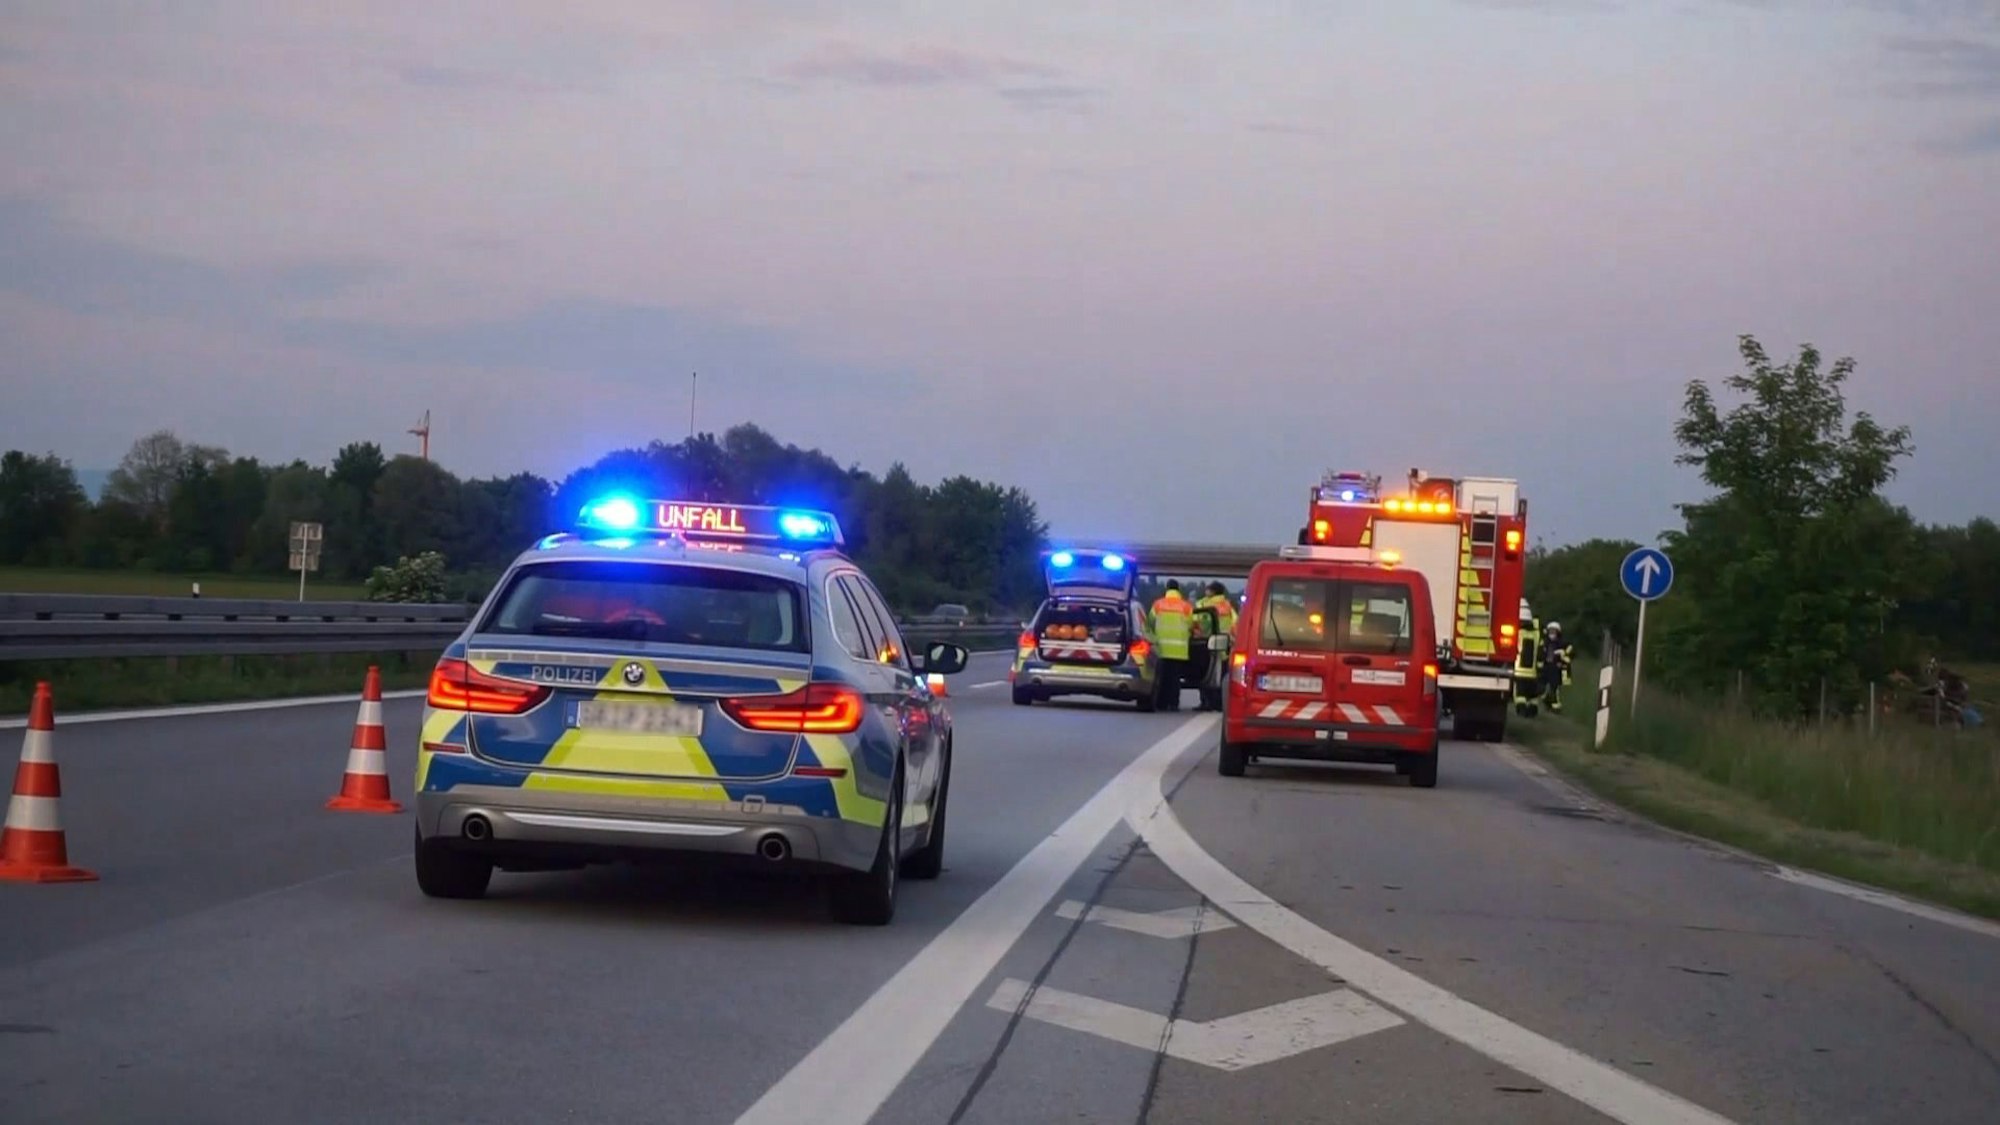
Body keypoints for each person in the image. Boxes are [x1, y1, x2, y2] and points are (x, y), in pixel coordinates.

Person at [1192, 582, 1238, 711]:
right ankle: (1219, 703)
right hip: (1224, 645)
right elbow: (1235, 623)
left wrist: (1198, 634)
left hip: (1207, 644)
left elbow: (1198, 622)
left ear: (1212, 592)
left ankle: (1206, 702)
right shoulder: (1228, 606)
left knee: (1205, 675)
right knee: (1222, 676)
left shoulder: (1204, 604)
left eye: (1208, 589)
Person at [1149, 579, 1194, 712]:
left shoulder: (1158, 605)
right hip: (1179, 650)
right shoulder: (1186, 606)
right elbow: (1192, 625)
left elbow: (1150, 623)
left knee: (1162, 678)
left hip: (1161, 649)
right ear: (1178, 590)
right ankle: (1173, 703)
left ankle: (1161, 703)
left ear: (1167, 589)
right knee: (1175, 679)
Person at [1540, 621, 1573, 713]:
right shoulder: (1544, 642)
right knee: (1542, 686)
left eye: (1554, 631)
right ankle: (1547, 700)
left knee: (1554, 687)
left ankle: (1555, 706)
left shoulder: (1562, 643)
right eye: (1550, 631)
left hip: (1556, 668)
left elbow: (1570, 651)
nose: (1552, 633)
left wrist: (1563, 655)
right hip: (1546, 667)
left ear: (1558, 632)